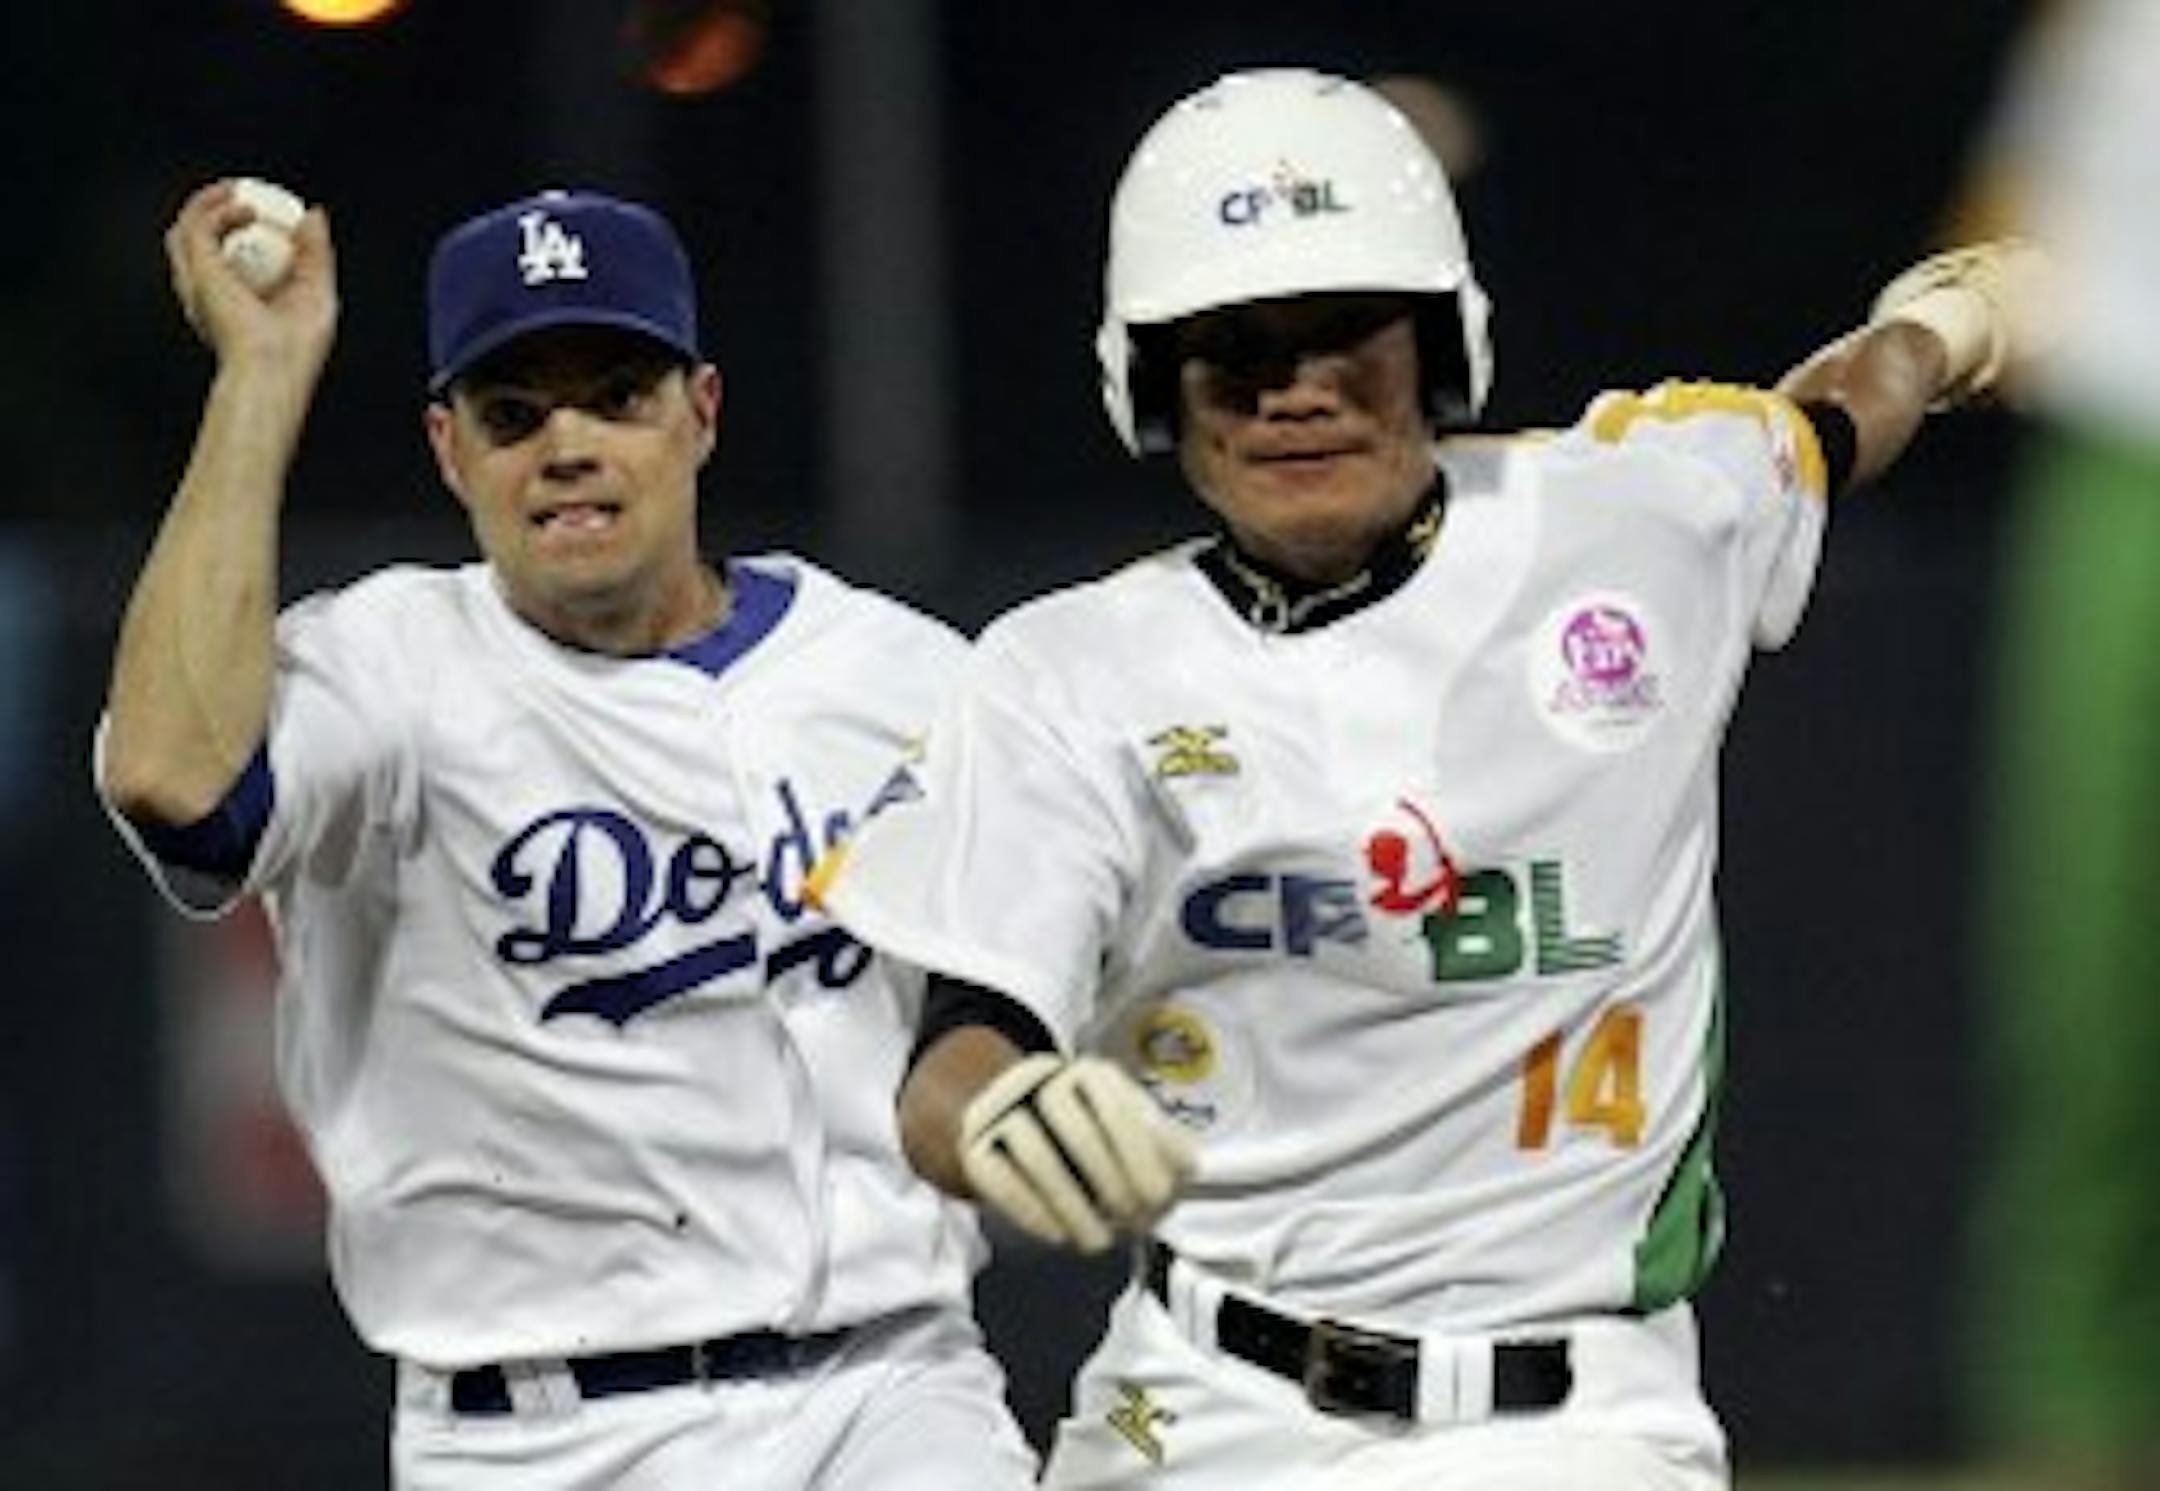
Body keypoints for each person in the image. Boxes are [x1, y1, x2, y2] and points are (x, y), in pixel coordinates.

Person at [807, 69, 2049, 1489]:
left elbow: (1828, 422)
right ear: (1153, 386)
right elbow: (961, 1048)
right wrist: (1000, 1110)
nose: (1300, 391)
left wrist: (1949, 324)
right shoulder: (1069, 674)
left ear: (1440, 344)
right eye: (1235, 351)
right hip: (1196, 1404)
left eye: (1347, 335)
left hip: (1571, 1422)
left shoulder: (1640, 518)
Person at [94, 181, 1035, 1491]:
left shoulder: (899, 674)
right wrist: (260, 374)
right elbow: (170, 781)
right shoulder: (385, 670)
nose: (568, 444)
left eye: (616, 395)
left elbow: (1024, 978)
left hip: (887, 1390)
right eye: (514, 412)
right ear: (449, 450)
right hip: (539, 1438)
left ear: (699, 412)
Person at [1958, 2, 2160, 1484]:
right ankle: (2069, 1411)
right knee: (2084, 970)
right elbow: (1999, 241)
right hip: (2121, 474)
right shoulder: (2102, 30)